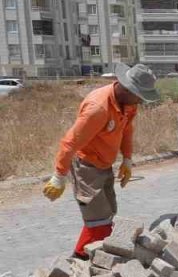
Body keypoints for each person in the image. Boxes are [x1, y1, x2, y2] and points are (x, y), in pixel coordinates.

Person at [44, 62, 159, 258]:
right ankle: (79, 262)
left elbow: (127, 130)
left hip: (105, 165)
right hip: (86, 166)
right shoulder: (98, 109)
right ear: (126, 88)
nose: (140, 101)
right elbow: (69, 143)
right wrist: (59, 176)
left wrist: (127, 159)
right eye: (138, 96)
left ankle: (93, 257)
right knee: (98, 220)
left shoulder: (128, 104)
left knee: (108, 213)